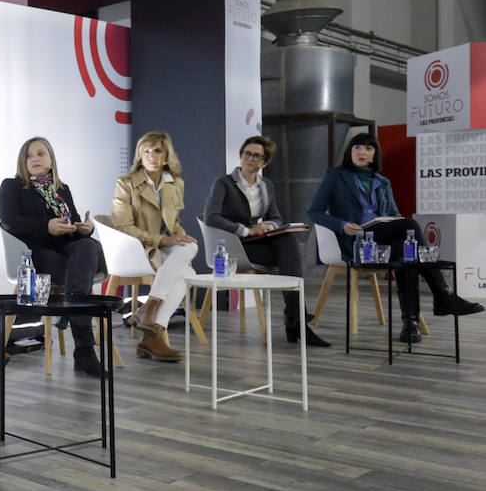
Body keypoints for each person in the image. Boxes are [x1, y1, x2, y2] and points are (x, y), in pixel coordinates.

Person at [306, 131, 482, 342]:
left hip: (384, 243)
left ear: (374, 155)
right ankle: (443, 293)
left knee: (406, 253)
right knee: (410, 226)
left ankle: (410, 323)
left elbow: (392, 215)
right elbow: (313, 212)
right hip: (357, 242)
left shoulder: (383, 182)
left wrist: (394, 218)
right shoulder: (335, 176)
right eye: (357, 147)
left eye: (368, 148)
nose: (362, 152)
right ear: (349, 151)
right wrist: (342, 225)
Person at [203, 134, 329, 347]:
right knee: (288, 251)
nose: (250, 159)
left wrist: (269, 227)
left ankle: (295, 318)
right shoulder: (223, 183)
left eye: (256, 156)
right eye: (247, 153)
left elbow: (276, 217)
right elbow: (211, 217)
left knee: (287, 241)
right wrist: (246, 231)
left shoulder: (267, 185)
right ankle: (296, 320)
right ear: (241, 155)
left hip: (255, 243)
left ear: (265, 162)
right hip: (233, 246)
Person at [0, 136, 106, 375]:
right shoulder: (12, 186)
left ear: (51, 159)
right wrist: (46, 226)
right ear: (22, 162)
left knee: (88, 246)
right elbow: (9, 220)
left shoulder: (61, 189)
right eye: (29, 155)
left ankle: (72, 307)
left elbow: (75, 223)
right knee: (78, 275)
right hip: (36, 254)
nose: (35, 158)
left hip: (68, 250)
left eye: (41, 153)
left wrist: (84, 228)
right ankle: (85, 349)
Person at [110, 131, 197, 362]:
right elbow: (123, 228)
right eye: (146, 151)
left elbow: (174, 223)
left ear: (167, 157)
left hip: (160, 248)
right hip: (136, 249)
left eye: (157, 150)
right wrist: (163, 241)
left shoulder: (175, 183)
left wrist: (180, 237)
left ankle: (147, 314)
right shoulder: (125, 184)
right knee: (187, 273)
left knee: (190, 249)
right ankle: (153, 332)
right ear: (139, 156)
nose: (151, 155)